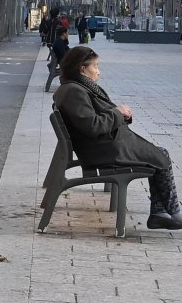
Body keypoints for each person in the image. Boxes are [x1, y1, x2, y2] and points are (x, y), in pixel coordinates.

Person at [53, 46, 182, 229]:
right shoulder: (74, 91)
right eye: (95, 66)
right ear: (82, 68)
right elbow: (93, 125)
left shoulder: (77, 87)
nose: (99, 70)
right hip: (103, 151)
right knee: (161, 155)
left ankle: (160, 212)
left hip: (103, 145)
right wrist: (117, 113)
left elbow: (97, 118)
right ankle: (172, 211)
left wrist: (121, 114)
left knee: (156, 154)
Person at [45, 27, 69, 92]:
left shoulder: (60, 41)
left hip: (61, 61)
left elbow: (67, 48)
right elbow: (63, 54)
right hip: (63, 62)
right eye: (67, 33)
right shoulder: (59, 43)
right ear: (64, 34)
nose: (68, 34)